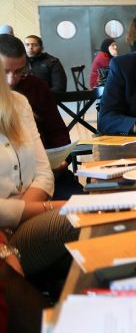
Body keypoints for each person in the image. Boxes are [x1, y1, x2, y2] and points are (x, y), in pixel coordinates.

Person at [0, 62, 77, 277]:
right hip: (5, 234)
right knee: (84, 217)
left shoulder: (17, 102)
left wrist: (23, 213)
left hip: (21, 221)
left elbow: (43, 172)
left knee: (99, 215)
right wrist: (51, 206)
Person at [0, 34, 83, 201]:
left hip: (47, 171)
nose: (11, 80)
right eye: (5, 72)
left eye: (19, 72)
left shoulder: (35, 87)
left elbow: (57, 131)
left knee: (83, 203)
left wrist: (61, 160)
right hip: (10, 183)